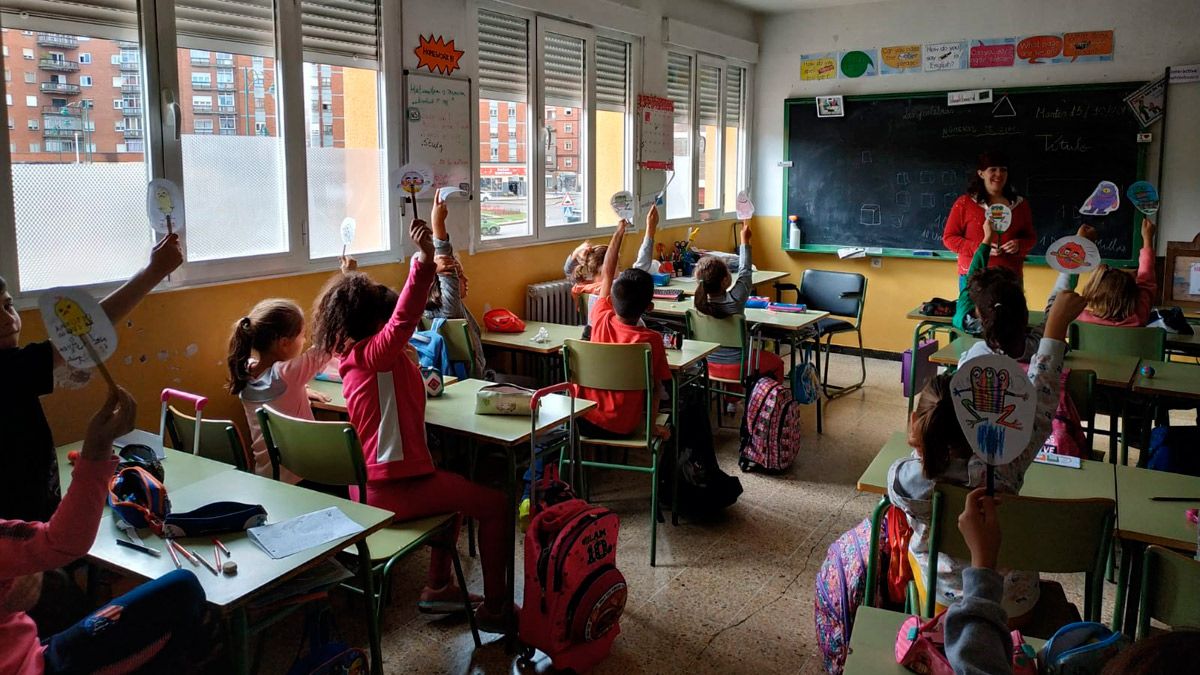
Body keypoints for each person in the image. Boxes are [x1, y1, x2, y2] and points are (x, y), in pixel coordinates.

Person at [310, 220, 509, 631]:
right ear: (378, 327)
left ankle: (438, 588)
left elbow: (385, 323)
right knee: (495, 507)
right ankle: (496, 609)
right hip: (392, 489)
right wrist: (423, 260)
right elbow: (402, 320)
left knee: (453, 491)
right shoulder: (377, 355)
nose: (405, 332)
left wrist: (349, 275)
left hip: (370, 482)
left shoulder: (351, 355)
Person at [887, 290, 1086, 624]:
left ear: (915, 424)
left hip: (939, 605)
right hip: (1014, 611)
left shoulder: (903, 479)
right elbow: (1040, 402)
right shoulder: (1007, 464)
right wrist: (1055, 330)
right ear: (987, 421)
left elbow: (930, 454)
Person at [0, 387, 206, 674]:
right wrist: (97, 448)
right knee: (183, 590)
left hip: (33, 651)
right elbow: (63, 541)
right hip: (39, 666)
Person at [0, 233, 182, 523]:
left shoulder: (15, 368)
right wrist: (154, 272)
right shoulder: (6, 370)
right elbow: (82, 332)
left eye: (8, 306)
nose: (8, 320)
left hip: (35, 527)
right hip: (17, 539)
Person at [576, 219, 672, 438]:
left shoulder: (599, 317)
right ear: (649, 307)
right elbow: (657, 390)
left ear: (611, 298)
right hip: (622, 426)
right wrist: (652, 428)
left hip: (582, 418)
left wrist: (618, 232)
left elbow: (608, 273)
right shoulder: (652, 340)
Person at [227, 298, 333, 482]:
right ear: (284, 343)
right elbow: (328, 345)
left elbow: (275, 393)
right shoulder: (286, 374)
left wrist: (299, 390)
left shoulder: (245, 369)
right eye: (302, 335)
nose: (305, 340)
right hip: (301, 477)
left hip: (265, 476)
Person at [692, 221, 785, 383]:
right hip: (739, 366)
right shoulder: (735, 300)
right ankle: (770, 406)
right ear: (724, 281)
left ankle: (731, 404)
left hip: (707, 364)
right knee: (777, 362)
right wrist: (745, 241)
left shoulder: (697, 307)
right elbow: (745, 271)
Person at [943, 487, 1012, 675]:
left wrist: (983, 563)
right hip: (1021, 608)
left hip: (940, 600)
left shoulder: (905, 476)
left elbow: (976, 660)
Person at [943, 151, 1036, 286]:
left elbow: (1030, 238)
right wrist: (981, 248)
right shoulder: (965, 203)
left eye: (1003, 170)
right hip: (974, 276)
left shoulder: (1020, 205)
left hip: (1009, 276)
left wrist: (1019, 245)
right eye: (993, 169)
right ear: (981, 173)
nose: (999, 174)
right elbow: (949, 238)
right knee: (972, 308)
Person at [425, 190, 487, 379]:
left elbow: (416, 276)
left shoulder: (420, 311)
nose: (466, 280)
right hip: (469, 382)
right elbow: (446, 265)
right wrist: (438, 224)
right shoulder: (450, 311)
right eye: (458, 275)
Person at [1073, 218, 1157, 327]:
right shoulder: (1138, 318)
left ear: (1093, 292)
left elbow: (1058, 302)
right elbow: (1147, 282)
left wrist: (1079, 244)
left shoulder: (1077, 319)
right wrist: (1148, 239)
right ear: (1134, 297)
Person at [564, 205, 659, 298]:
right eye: (616, 265)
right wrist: (650, 230)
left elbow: (568, 270)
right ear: (605, 269)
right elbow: (640, 269)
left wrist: (577, 251)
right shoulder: (614, 286)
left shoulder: (585, 285)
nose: (619, 268)